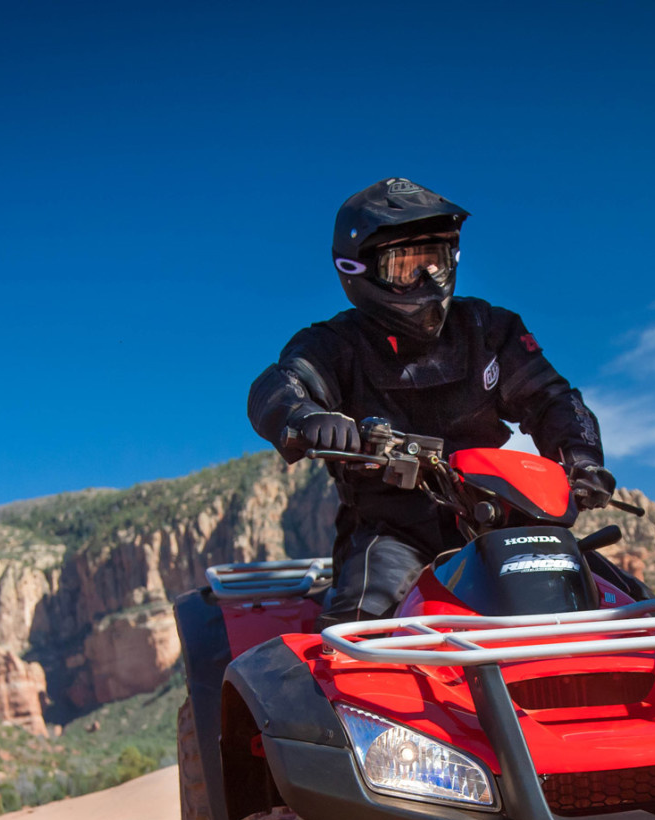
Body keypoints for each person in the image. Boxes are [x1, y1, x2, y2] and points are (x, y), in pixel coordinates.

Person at [248, 177, 615, 624]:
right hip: (393, 532)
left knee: (619, 596)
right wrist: (306, 416)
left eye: (435, 263)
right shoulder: (335, 345)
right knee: (360, 633)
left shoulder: (488, 329)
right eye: (405, 267)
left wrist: (582, 458)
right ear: (357, 269)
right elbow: (280, 385)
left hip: (498, 522)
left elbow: (550, 397)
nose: (426, 279)